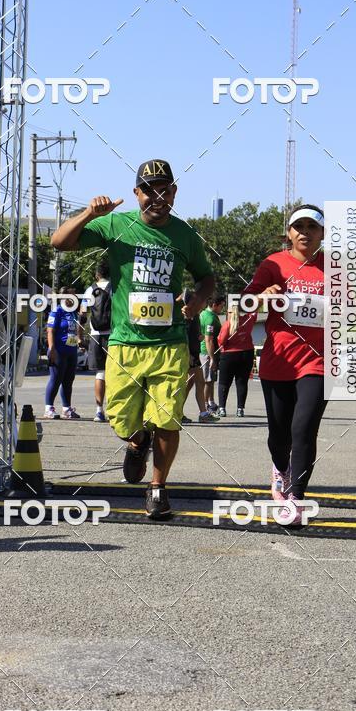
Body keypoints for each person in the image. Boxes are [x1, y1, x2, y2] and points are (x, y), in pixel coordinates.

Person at [51, 159, 215, 519]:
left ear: (174, 193)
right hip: (125, 343)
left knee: (168, 420)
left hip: (169, 344)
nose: (157, 198)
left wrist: (198, 300)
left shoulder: (185, 235)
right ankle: (138, 441)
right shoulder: (115, 225)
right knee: (120, 418)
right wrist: (89, 214)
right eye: (149, 191)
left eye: (164, 191)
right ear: (136, 193)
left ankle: (157, 488)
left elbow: (207, 278)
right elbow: (59, 242)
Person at [244, 204, 327, 527]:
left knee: (303, 429)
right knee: (279, 437)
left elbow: (350, 314)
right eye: (299, 227)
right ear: (289, 233)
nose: (305, 232)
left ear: (322, 233)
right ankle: (281, 469)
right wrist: (262, 296)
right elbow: (246, 302)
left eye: (312, 227)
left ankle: (296, 499)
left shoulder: (336, 269)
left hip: (317, 362)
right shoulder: (273, 264)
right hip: (278, 361)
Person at [181, 289, 219, 425]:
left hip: (194, 352)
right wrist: (188, 354)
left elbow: (192, 334)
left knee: (190, 383)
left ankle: (179, 411)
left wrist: (199, 336)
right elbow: (184, 336)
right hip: (190, 354)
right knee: (198, 382)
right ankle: (202, 413)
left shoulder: (196, 315)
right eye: (201, 300)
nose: (204, 302)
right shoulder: (187, 315)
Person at [80, 260, 112, 422]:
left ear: (97, 275)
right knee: (116, 373)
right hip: (114, 335)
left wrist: (79, 336)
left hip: (96, 335)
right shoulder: (116, 288)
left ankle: (99, 411)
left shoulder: (90, 290)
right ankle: (114, 410)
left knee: (100, 373)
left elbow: (82, 315)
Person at [44, 287, 82, 420]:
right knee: (56, 379)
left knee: (68, 380)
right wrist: (52, 349)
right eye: (72, 295)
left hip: (71, 350)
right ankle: (49, 408)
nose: (75, 298)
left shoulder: (73, 312)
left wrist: (79, 340)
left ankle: (66, 409)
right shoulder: (57, 311)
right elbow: (50, 331)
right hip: (58, 350)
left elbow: (76, 329)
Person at [216, 304, 255, 417]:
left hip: (229, 354)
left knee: (224, 382)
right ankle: (240, 409)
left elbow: (221, 341)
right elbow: (254, 312)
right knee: (242, 382)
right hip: (246, 353)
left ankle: (222, 408)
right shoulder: (247, 321)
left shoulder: (227, 324)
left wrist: (219, 340)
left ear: (229, 313)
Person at [199, 295, 225, 412]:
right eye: (221, 306)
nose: (222, 309)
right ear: (214, 305)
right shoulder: (210, 318)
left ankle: (211, 401)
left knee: (211, 379)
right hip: (207, 352)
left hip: (208, 351)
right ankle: (205, 406)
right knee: (208, 381)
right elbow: (208, 339)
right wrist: (212, 358)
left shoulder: (204, 313)